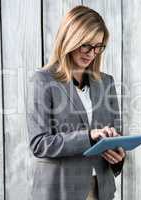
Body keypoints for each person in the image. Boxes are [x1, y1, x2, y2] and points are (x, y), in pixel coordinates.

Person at [26, 5, 126, 200]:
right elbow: (39, 144)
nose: (91, 53)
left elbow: (115, 134)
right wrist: (89, 136)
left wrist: (118, 157)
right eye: (86, 45)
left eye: (98, 47)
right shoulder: (43, 80)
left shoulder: (106, 82)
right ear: (69, 40)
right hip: (60, 192)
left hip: (102, 191)